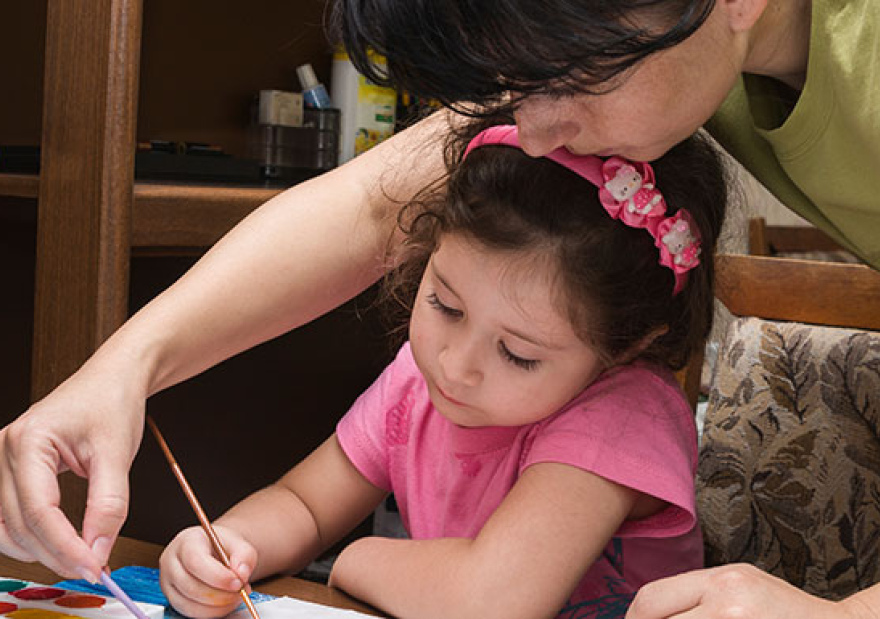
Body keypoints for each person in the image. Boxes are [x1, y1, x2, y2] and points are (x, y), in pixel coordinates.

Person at [1, 0, 880, 617]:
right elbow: (375, 201)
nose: (524, 132)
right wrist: (128, 365)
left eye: (563, 85)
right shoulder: (641, 51)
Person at [156, 121, 728, 619]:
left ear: (626, 348)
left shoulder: (625, 413)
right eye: (445, 306)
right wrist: (228, 546)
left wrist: (350, 559)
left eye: (518, 354)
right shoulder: (418, 380)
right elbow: (305, 504)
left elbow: (489, 601)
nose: (457, 365)